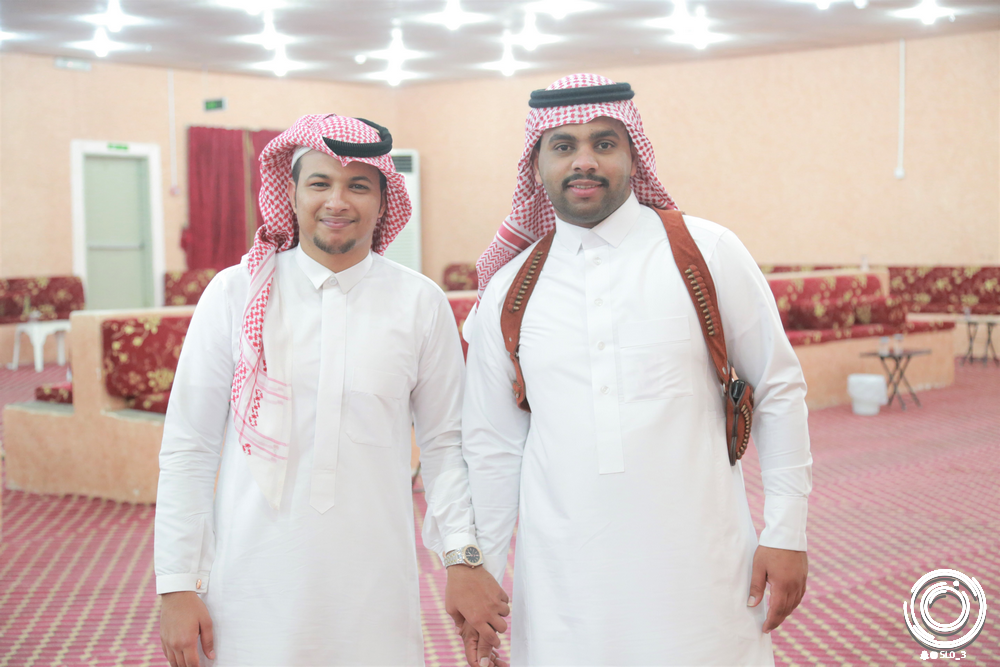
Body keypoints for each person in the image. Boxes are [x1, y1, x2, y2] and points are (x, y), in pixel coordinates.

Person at [458, 74, 813, 665]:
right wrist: (483, 571)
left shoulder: (707, 252)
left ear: (633, 155)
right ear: (536, 166)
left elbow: (778, 388)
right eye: (563, 146)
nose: (584, 161)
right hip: (564, 587)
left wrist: (787, 530)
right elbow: (493, 446)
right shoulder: (510, 290)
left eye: (604, 143)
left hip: (702, 576)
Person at [154, 114, 506, 667]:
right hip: (250, 585)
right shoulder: (234, 294)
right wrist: (177, 583)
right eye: (319, 183)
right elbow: (189, 447)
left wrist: (461, 558)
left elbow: (446, 445)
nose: (337, 201)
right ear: (291, 194)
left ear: (384, 202)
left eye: (358, 186)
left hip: (376, 587)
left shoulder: (420, 303)